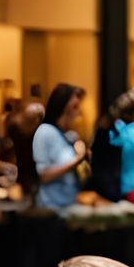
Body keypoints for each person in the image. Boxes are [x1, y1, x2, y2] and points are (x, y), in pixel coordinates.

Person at [33, 83, 87, 211]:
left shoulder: (67, 136)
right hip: (52, 208)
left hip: (69, 204)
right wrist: (77, 160)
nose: (78, 112)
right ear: (62, 106)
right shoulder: (45, 132)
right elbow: (43, 175)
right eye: (74, 106)